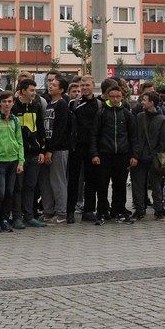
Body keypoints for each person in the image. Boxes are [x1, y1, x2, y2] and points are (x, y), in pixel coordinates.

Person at [93, 78, 136, 224]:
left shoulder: (127, 114)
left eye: (118, 97)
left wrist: (133, 155)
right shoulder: (101, 113)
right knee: (102, 185)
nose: (115, 99)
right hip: (105, 154)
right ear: (107, 97)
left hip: (122, 155)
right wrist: (95, 154)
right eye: (112, 97)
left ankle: (118, 210)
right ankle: (102, 211)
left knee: (120, 185)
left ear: (122, 97)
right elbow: (95, 135)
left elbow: (133, 136)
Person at [0, 91, 24, 232]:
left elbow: (20, 141)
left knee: (9, 192)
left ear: (13, 103)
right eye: (4, 101)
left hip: (13, 161)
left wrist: (21, 161)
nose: (7, 104)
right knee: (0, 192)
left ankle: (5, 219)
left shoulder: (15, 120)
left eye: (10, 101)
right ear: (0, 103)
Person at [130, 91, 165, 220]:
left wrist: (159, 157)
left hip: (153, 157)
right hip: (141, 157)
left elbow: (164, 141)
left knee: (156, 185)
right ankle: (141, 209)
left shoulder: (162, 119)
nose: (142, 102)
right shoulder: (140, 117)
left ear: (152, 102)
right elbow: (135, 137)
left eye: (145, 100)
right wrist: (135, 155)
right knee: (139, 185)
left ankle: (157, 209)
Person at [13, 78, 46, 229]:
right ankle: (17, 217)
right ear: (22, 91)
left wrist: (42, 150)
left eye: (35, 90)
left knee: (31, 187)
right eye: (31, 90)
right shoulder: (13, 107)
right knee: (18, 187)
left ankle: (29, 216)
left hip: (34, 153)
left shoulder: (37, 106)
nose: (34, 93)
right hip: (18, 154)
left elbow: (41, 129)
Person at [40, 76, 72, 224]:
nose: (50, 86)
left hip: (58, 149)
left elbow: (59, 130)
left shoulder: (62, 104)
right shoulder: (49, 104)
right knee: (46, 181)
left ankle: (61, 212)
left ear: (61, 90)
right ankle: (48, 211)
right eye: (50, 84)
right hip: (48, 148)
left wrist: (51, 150)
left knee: (58, 180)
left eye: (54, 85)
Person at [72, 76, 101, 223]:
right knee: (74, 179)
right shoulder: (74, 103)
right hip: (77, 147)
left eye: (87, 85)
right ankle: (70, 210)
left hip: (93, 148)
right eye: (82, 85)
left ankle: (89, 210)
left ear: (93, 85)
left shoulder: (100, 105)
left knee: (92, 180)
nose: (84, 88)